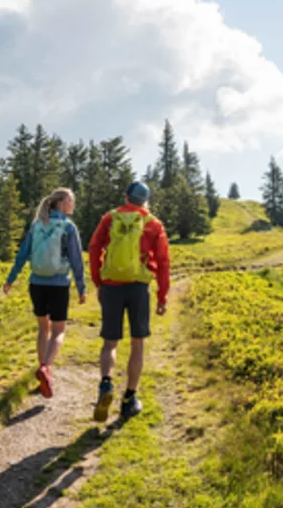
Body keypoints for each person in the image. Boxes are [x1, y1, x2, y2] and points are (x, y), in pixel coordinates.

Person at [89, 180, 170, 421]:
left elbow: (94, 248)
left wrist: (99, 281)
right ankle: (129, 399)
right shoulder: (153, 224)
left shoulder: (110, 218)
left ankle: (106, 384)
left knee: (110, 343)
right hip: (138, 288)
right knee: (138, 343)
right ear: (145, 201)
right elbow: (164, 262)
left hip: (112, 286)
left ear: (126, 196)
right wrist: (162, 295)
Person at [3, 187, 86, 398]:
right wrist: (81, 287)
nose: (73, 204)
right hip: (59, 283)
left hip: (36, 283)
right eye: (70, 200)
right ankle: (46, 368)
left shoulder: (37, 224)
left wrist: (10, 279)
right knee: (59, 330)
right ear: (61, 203)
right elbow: (76, 260)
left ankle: (42, 370)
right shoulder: (68, 227)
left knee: (43, 327)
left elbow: (23, 254)